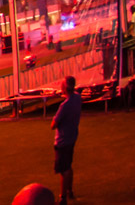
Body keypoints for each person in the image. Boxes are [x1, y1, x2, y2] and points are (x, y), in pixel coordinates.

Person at [51, 76, 82, 205]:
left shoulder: (64, 106)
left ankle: (63, 197)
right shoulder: (77, 98)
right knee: (68, 165)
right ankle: (70, 191)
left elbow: (53, 124)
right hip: (72, 136)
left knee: (64, 169)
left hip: (63, 140)